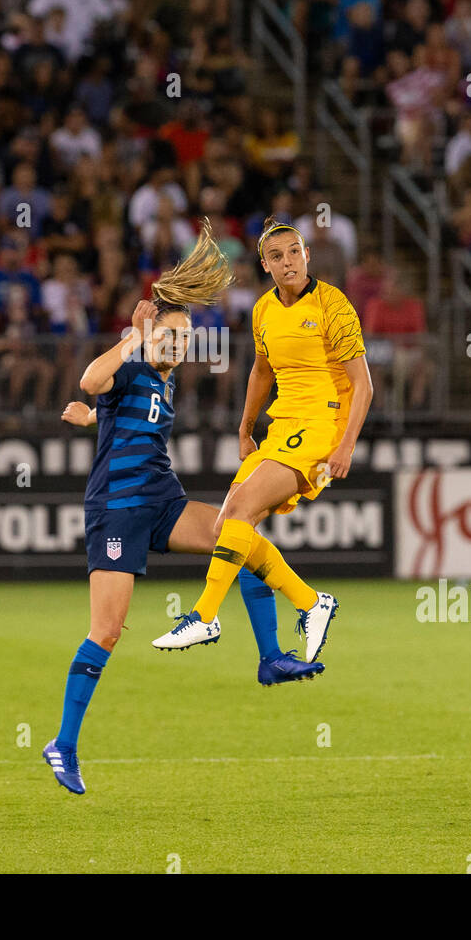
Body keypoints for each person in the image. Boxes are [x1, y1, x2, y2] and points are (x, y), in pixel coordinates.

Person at [43, 223, 323, 796]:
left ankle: (271, 658)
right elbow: (90, 378)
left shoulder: (164, 383)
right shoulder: (133, 362)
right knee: (108, 630)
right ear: (152, 337)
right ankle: (63, 744)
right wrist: (133, 339)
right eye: (173, 337)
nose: (182, 345)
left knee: (236, 534)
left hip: (161, 499)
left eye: (187, 337)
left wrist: (93, 421)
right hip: (118, 510)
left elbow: (123, 416)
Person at [151, 220, 373, 663]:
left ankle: (205, 614)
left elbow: (363, 385)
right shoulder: (263, 310)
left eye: (294, 252)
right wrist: (245, 427)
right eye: (277, 256)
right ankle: (312, 603)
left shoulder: (333, 304)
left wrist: (346, 444)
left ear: (306, 254)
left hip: (321, 427)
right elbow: (261, 371)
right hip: (281, 429)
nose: (287, 262)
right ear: (264, 265)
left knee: (239, 509)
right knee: (229, 525)